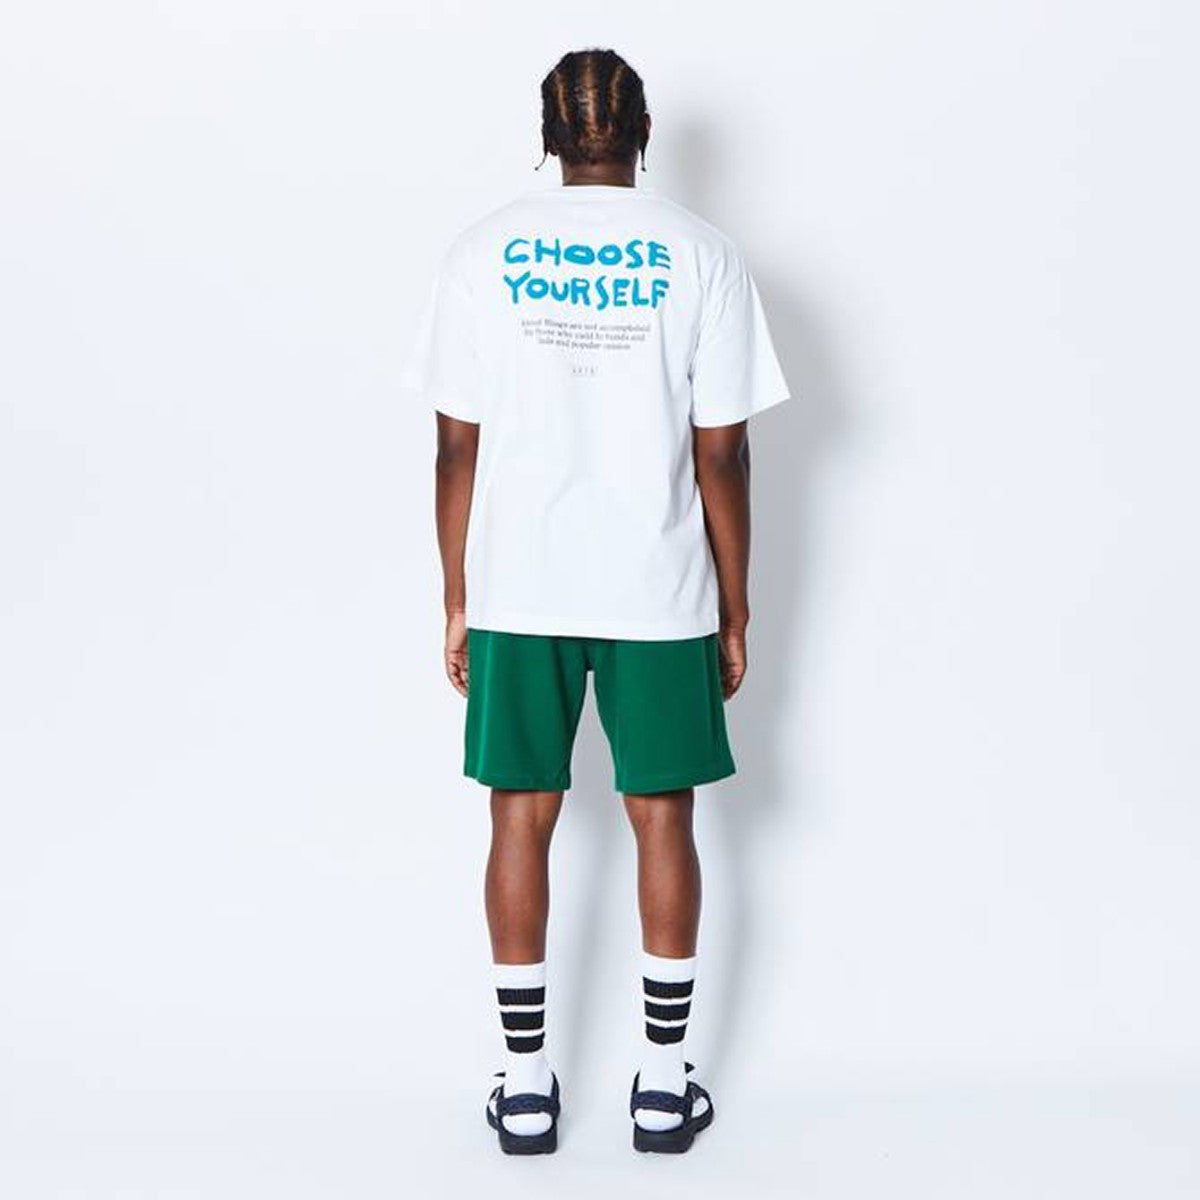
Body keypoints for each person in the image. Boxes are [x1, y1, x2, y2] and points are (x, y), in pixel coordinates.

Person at [401, 47, 790, 1155]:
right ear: (644, 133)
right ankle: (663, 1088)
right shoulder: (703, 255)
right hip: (657, 583)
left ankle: (526, 1090)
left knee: (517, 814)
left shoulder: (482, 253)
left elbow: (454, 446)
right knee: (663, 815)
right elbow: (724, 454)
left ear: (547, 138)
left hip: (520, 581)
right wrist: (734, 604)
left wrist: (457, 595)